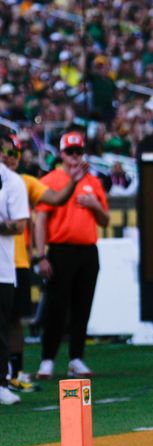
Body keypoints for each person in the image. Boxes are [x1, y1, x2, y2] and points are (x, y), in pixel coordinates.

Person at [0, 134, 78, 393]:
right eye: (5, 152)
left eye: (13, 154)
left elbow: (55, 199)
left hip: (14, 261)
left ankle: (15, 371)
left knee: (13, 320)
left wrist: (74, 183)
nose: (9, 158)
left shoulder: (21, 182)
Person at [34, 132, 109, 380]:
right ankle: (47, 359)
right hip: (61, 249)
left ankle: (76, 358)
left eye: (79, 152)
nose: (75, 157)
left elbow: (105, 219)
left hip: (87, 250)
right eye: (70, 152)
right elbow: (41, 218)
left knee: (82, 306)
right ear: (62, 154)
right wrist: (41, 254)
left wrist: (94, 205)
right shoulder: (50, 180)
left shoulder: (93, 182)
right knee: (56, 307)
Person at [0, 161, 30, 405]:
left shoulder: (12, 182)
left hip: (2, 268)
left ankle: (1, 382)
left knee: (2, 328)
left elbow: (19, 225)